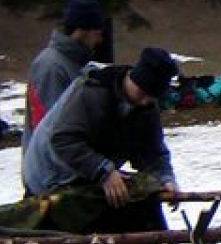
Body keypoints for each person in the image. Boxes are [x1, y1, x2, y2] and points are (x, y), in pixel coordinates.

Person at [21, 46, 180, 231]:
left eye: (151, 98)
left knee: (142, 201)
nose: (145, 101)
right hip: (52, 177)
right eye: (142, 93)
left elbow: (152, 152)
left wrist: (165, 178)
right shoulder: (93, 92)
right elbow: (64, 140)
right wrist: (103, 171)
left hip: (88, 177)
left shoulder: (145, 108)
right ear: (134, 79)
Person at [24, 0, 106, 153]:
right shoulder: (51, 67)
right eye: (97, 33)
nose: (100, 40)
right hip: (52, 172)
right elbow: (54, 130)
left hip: (71, 167)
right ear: (82, 32)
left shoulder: (76, 64)